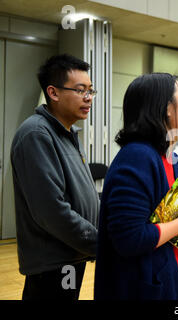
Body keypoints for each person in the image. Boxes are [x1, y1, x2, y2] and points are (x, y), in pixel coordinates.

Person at [93, 73, 178, 300]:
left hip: (172, 275)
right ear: (166, 108)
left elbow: (177, 230)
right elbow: (130, 239)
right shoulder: (137, 157)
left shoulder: (173, 159)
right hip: (140, 285)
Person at [10, 54, 100, 300]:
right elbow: (51, 210)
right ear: (53, 92)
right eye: (80, 90)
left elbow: (85, 196)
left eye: (91, 91)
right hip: (53, 261)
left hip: (73, 253)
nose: (88, 98)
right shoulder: (36, 134)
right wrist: (101, 243)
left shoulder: (68, 132)